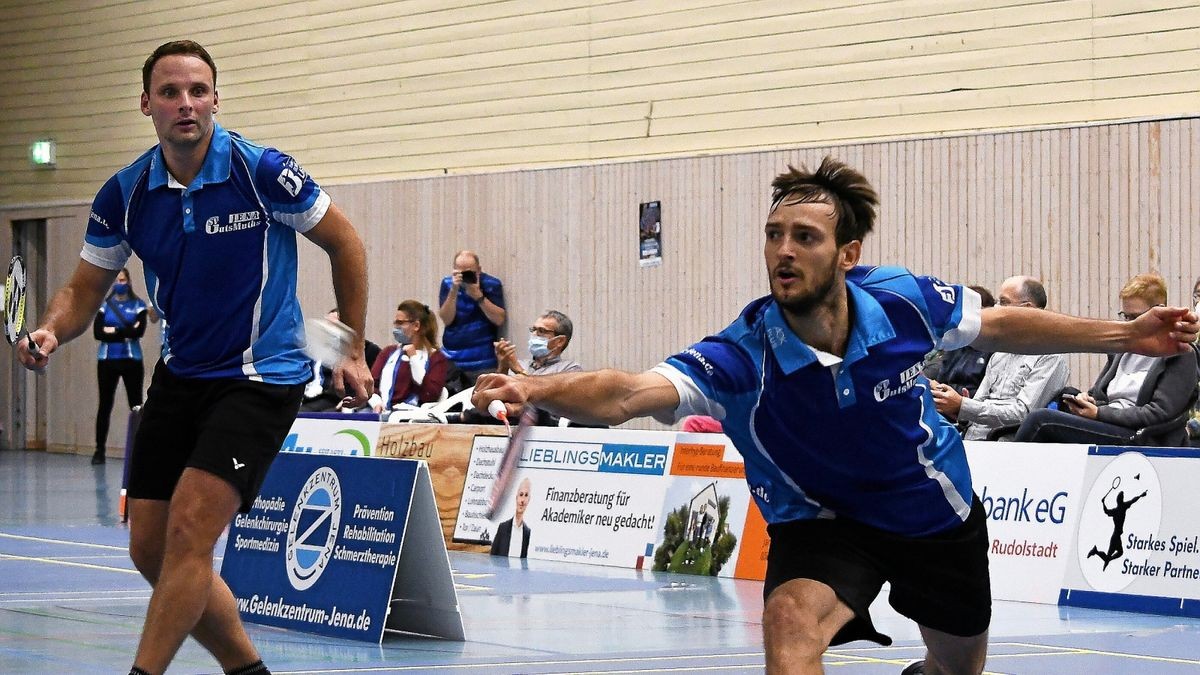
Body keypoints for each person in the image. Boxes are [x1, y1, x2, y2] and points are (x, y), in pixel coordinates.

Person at [472, 157, 1198, 675]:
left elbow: (1004, 324)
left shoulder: (904, 300)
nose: (783, 251)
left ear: (848, 254)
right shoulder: (741, 353)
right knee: (789, 625)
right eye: (774, 234)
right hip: (820, 522)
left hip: (931, 514)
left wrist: (1126, 334)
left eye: (806, 237)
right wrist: (536, 389)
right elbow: (627, 393)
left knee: (955, 668)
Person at [16, 40, 372, 675]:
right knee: (150, 550)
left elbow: (345, 243)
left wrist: (350, 348)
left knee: (189, 535)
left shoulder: (261, 171)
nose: (187, 104)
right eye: (171, 92)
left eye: (199, 91)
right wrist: (49, 330)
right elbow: (81, 291)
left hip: (260, 379)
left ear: (216, 98)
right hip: (180, 374)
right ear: (146, 103)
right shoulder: (124, 194)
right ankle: (248, 671)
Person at [1015, 274, 1200, 446]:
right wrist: (1087, 400)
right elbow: (1099, 395)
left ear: (1159, 312)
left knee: (1041, 421)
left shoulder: (1181, 353)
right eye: (1125, 316)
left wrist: (1100, 413)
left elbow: (1159, 414)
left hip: (1143, 436)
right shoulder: (1124, 347)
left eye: (1135, 317)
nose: (1129, 324)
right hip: (1110, 424)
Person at [931, 276, 1069, 440]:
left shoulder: (1050, 356)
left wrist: (963, 405)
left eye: (1003, 302)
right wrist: (955, 405)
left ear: (1028, 309)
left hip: (1005, 449)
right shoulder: (1000, 352)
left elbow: (1024, 414)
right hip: (971, 439)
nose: (996, 308)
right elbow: (978, 404)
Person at [92, 268, 156, 464]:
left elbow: (138, 331)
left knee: (136, 405)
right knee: (105, 405)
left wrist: (113, 330)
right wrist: (124, 331)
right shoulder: (105, 306)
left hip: (132, 361)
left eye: (123, 279)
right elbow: (98, 333)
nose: (120, 283)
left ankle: (139, 451)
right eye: (117, 279)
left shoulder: (138, 305)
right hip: (107, 360)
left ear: (128, 281)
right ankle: (99, 450)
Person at [494, 309, 582, 425]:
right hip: (508, 424)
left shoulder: (569, 370)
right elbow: (496, 396)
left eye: (541, 331)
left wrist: (519, 371)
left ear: (559, 341)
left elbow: (548, 403)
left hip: (545, 429)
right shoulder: (521, 363)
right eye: (533, 330)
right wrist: (503, 367)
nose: (534, 335)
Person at [367, 300, 455, 412]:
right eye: (395, 323)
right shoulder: (388, 352)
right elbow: (371, 385)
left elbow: (430, 395)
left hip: (413, 416)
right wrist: (376, 403)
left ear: (416, 326)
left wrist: (413, 359)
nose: (396, 328)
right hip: (380, 411)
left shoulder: (436, 358)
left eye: (400, 323)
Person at [438, 250, 506, 381]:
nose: (465, 276)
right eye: (460, 273)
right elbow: (446, 319)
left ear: (479, 269)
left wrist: (478, 296)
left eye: (469, 272)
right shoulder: (447, 284)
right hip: (451, 358)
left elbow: (499, 319)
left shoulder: (491, 284)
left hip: (482, 359)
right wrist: (453, 291)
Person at [300, 308, 380, 412]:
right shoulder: (313, 350)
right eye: (327, 325)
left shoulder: (367, 350)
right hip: (305, 397)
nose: (329, 330)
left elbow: (371, 381)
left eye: (334, 326)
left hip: (333, 399)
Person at [922, 285, 994, 396]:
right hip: (944, 403)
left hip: (971, 406)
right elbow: (942, 379)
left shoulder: (995, 351)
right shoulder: (956, 344)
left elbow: (989, 394)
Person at [489, 477, 532, 558]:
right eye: (521, 494)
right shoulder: (503, 527)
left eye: (526, 495)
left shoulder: (527, 532)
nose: (522, 500)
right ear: (516, 497)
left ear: (529, 500)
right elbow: (493, 556)